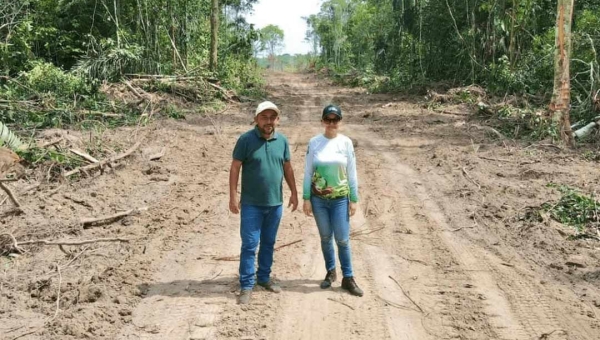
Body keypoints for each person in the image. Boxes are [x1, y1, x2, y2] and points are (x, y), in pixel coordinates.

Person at [229, 101, 299, 305]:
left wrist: (294, 192)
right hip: (251, 204)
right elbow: (235, 168)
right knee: (250, 245)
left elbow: (287, 168)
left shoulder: (282, 141)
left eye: (272, 117)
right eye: (264, 117)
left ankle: (264, 278)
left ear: (277, 120)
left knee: (268, 243)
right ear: (256, 119)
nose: (268, 121)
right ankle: (247, 285)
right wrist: (233, 195)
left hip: (275, 203)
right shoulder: (246, 140)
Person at [302, 104, 364, 297]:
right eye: (327, 120)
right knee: (326, 237)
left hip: (339, 199)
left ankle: (348, 277)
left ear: (339, 122)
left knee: (343, 240)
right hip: (318, 199)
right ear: (322, 121)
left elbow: (351, 172)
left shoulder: (346, 143)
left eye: (335, 120)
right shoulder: (314, 142)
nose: (331, 123)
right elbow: (308, 171)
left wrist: (353, 199)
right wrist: (306, 197)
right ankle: (331, 272)